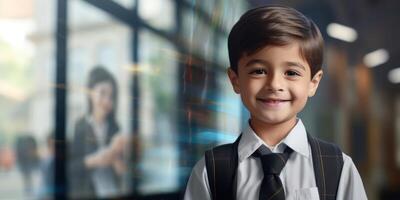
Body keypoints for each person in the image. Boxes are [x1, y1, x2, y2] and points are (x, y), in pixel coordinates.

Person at [184, 5, 367, 200]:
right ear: (235, 80)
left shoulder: (338, 167)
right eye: (258, 71)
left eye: (291, 73)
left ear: (313, 83)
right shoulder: (210, 171)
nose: (274, 84)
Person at [69, 66, 126, 198]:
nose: (107, 101)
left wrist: (116, 158)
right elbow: (70, 168)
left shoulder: (115, 127)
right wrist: (95, 160)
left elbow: (122, 171)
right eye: (102, 93)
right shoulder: (79, 126)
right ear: (90, 93)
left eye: (111, 96)